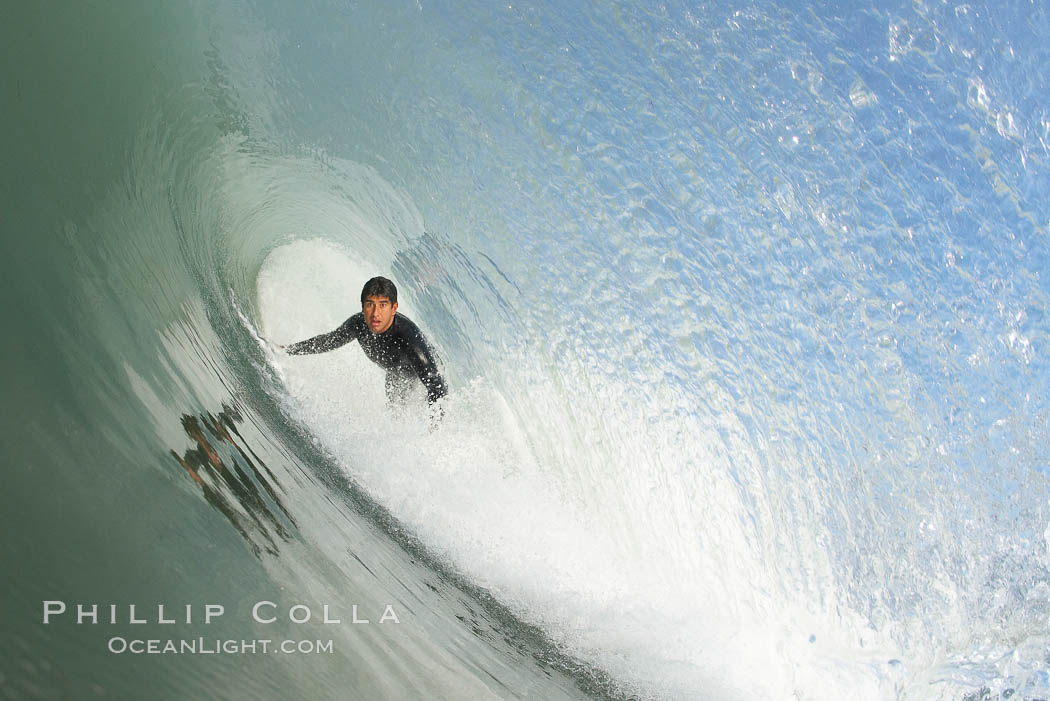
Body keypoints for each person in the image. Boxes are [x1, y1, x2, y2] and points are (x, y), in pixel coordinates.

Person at [282, 276, 448, 408]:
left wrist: (434, 430)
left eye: (383, 305)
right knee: (395, 413)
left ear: (394, 308)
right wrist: (288, 350)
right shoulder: (358, 324)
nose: (376, 313)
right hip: (395, 373)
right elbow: (328, 341)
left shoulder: (408, 338)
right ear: (362, 306)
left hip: (421, 376)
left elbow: (437, 386)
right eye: (370, 305)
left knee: (417, 408)